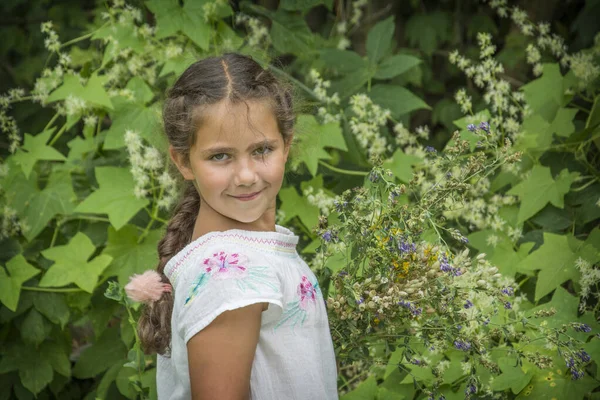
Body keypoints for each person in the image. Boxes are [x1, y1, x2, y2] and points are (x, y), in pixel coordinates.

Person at [125, 53, 339, 400]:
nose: (245, 176)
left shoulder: (243, 254)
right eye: (220, 156)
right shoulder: (233, 273)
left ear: (287, 144)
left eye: (262, 150)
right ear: (183, 160)